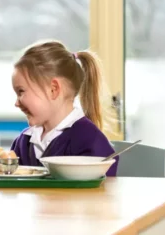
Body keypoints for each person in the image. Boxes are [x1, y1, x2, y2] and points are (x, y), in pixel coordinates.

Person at [8, 40, 118, 176]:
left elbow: (103, 190)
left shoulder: (89, 139)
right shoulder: (23, 142)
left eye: (21, 92)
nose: (17, 103)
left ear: (53, 89)